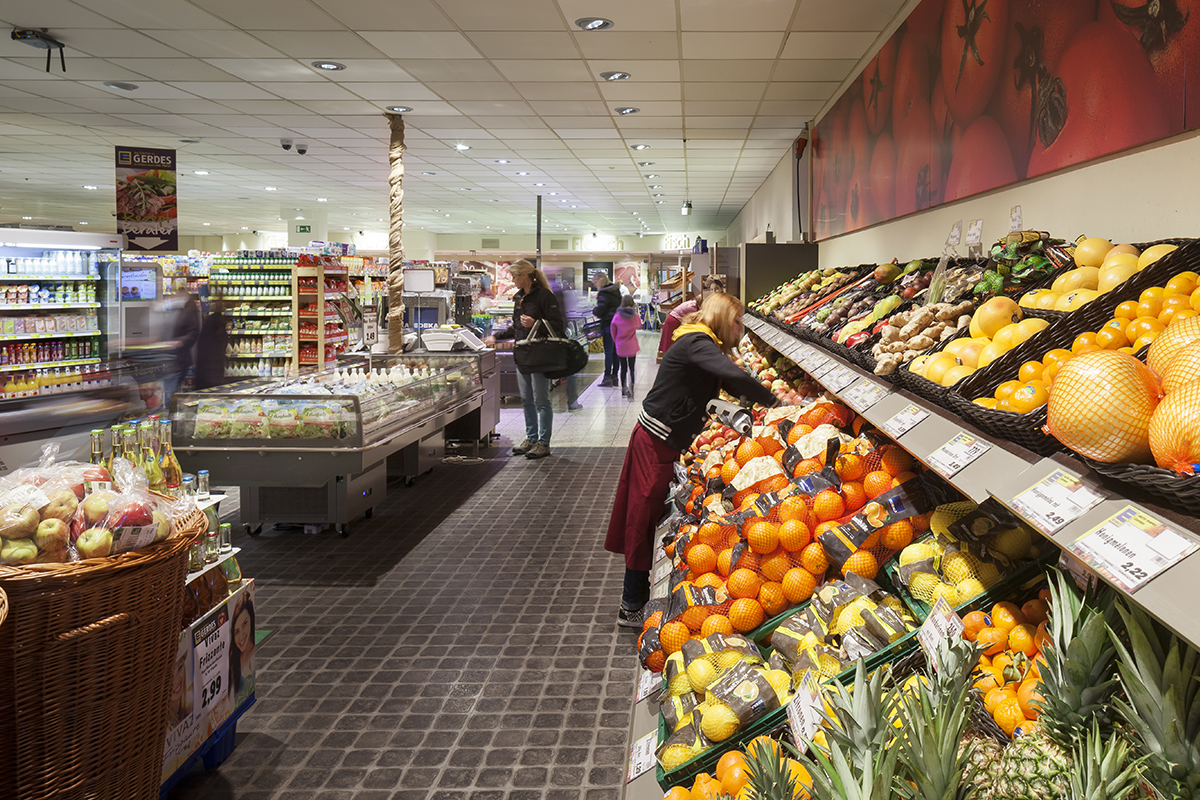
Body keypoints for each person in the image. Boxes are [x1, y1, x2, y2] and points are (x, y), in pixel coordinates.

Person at [605, 293, 777, 627]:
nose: (740, 329)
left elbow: (726, 381)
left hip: (663, 440)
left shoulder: (697, 341)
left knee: (645, 515)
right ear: (721, 319)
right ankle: (630, 605)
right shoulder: (698, 342)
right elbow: (731, 375)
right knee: (642, 517)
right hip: (656, 442)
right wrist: (773, 401)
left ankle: (634, 598)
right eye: (736, 321)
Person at [487, 260, 566, 459]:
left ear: (524, 275)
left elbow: (558, 326)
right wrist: (496, 337)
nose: (512, 280)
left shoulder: (544, 296)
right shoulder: (519, 297)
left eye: (514, 276)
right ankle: (531, 438)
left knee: (542, 400)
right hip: (522, 355)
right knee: (527, 399)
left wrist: (536, 323)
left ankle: (543, 443)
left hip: (540, 355)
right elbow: (516, 327)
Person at [165, 289, 199, 404]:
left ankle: (171, 412)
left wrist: (180, 342)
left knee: (170, 394)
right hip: (170, 359)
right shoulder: (176, 310)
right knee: (170, 392)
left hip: (179, 359)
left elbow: (193, 333)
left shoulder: (189, 311)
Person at [591, 271, 621, 387]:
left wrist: (594, 310)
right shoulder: (616, 290)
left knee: (608, 351)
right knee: (615, 351)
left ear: (601, 281)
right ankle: (615, 377)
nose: (595, 285)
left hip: (608, 323)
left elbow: (600, 310)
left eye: (595, 282)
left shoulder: (603, 293)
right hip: (618, 323)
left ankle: (607, 377)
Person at [194, 296, 229, 390]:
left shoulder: (211, 320)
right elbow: (220, 343)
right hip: (212, 367)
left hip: (205, 366)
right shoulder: (218, 321)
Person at [610, 295, 641, 400]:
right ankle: (631, 390)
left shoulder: (617, 316)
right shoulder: (635, 315)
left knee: (623, 368)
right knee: (632, 368)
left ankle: (624, 388)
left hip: (621, 345)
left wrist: (617, 341)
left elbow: (613, 330)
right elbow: (639, 325)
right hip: (632, 344)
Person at [229, 593, 256, 697]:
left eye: (245, 623)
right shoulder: (232, 658)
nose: (241, 636)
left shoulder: (254, 654)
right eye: (236, 631)